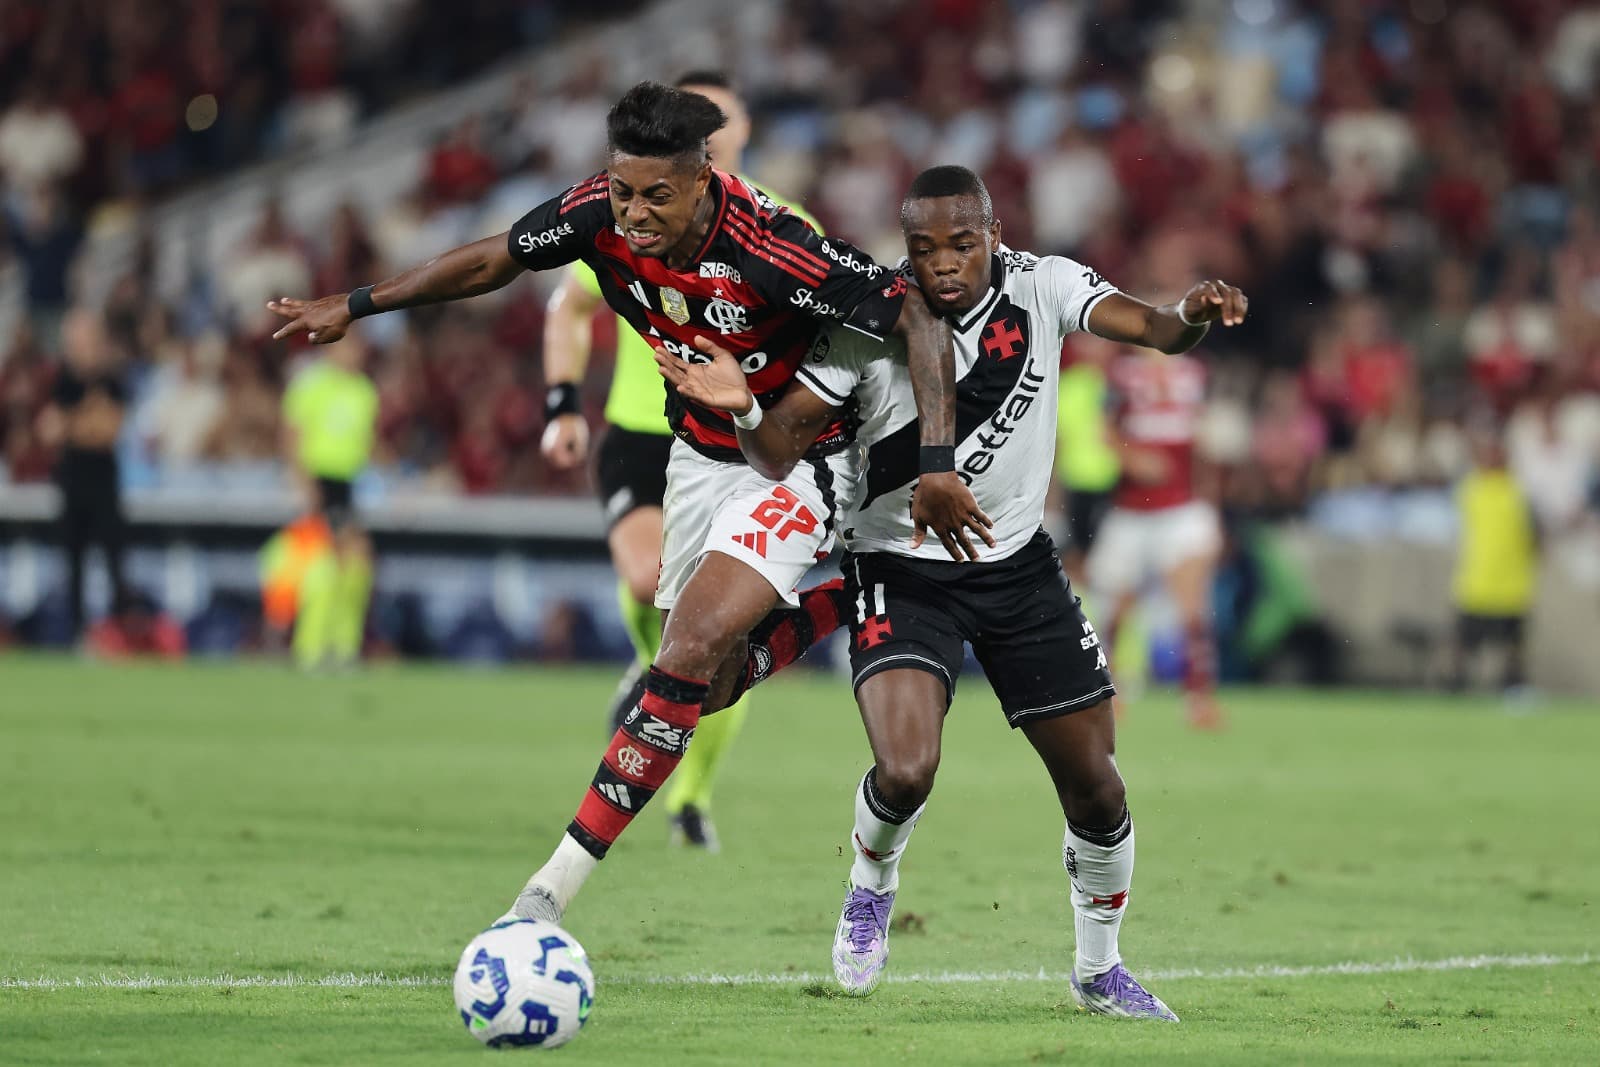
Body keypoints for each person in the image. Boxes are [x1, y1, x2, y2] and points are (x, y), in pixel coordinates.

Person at [266, 82, 986, 925]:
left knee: (685, 649)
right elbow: (494, 257)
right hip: (697, 458)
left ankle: (544, 894)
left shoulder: (775, 247)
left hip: (801, 459)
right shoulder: (593, 215)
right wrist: (357, 305)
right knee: (702, 687)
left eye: (657, 195)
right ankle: (855, 594)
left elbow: (921, 323)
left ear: (703, 178)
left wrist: (935, 462)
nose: (635, 213)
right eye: (622, 191)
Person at [659, 166, 1248, 1019]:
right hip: (900, 567)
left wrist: (1189, 315)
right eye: (924, 248)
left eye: (962, 244)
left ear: (994, 235)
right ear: (905, 247)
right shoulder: (867, 321)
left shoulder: (1044, 286)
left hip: (1018, 569)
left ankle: (1099, 968)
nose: (943, 264)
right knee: (907, 768)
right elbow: (778, 449)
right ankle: (871, 886)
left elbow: (1154, 329)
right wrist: (745, 406)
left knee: (1099, 789)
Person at [540, 70, 820, 852]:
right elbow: (569, 304)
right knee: (647, 584)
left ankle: (688, 799)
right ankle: (652, 672)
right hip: (642, 427)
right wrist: (562, 400)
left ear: (741, 129)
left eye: (723, 116)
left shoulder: (779, 223)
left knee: (721, 627)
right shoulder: (636, 212)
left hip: (738, 440)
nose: (715, 128)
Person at [1087, 345, 1225, 729]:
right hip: (1132, 510)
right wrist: (1133, 458)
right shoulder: (1121, 376)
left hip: (1182, 507)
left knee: (1191, 605)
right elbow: (1105, 430)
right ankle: (1106, 692)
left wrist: (1211, 503)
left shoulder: (1195, 374)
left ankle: (1199, 697)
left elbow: (1206, 442)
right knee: (1117, 605)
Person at [279, 335, 378, 669]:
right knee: (322, 565)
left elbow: (367, 445)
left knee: (356, 564)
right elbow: (292, 437)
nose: (355, 353)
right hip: (318, 480)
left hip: (348, 484)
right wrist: (303, 485)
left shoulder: (365, 391)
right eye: (349, 346)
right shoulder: (311, 385)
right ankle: (311, 648)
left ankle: (343, 646)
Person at [37, 309, 128, 639]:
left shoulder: (111, 380)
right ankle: (76, 631)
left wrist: (70, 423)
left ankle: (119, 631)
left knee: (114, 557)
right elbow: (48, 429)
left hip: (103, 481)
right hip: (71, 479)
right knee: (72, 558)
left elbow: (107, 431)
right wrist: (86, 417)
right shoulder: (63, 381)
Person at [1450, 418, 1537, 694]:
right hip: (1477, 580)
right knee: (1464, 644)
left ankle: (1514, 687)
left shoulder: (1518, 491)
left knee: (1513, 645)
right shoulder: (1471, 488)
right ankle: (1454, 687)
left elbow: (1534, 533)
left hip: (1512, 582)